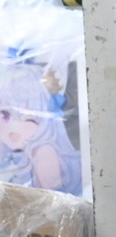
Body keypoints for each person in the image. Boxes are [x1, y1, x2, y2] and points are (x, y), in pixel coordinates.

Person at [0, 62, 82, 196]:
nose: (13, 128)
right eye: (4, 115)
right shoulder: (15, 151)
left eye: (29, 119)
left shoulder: (44, 154)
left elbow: (47, 200)